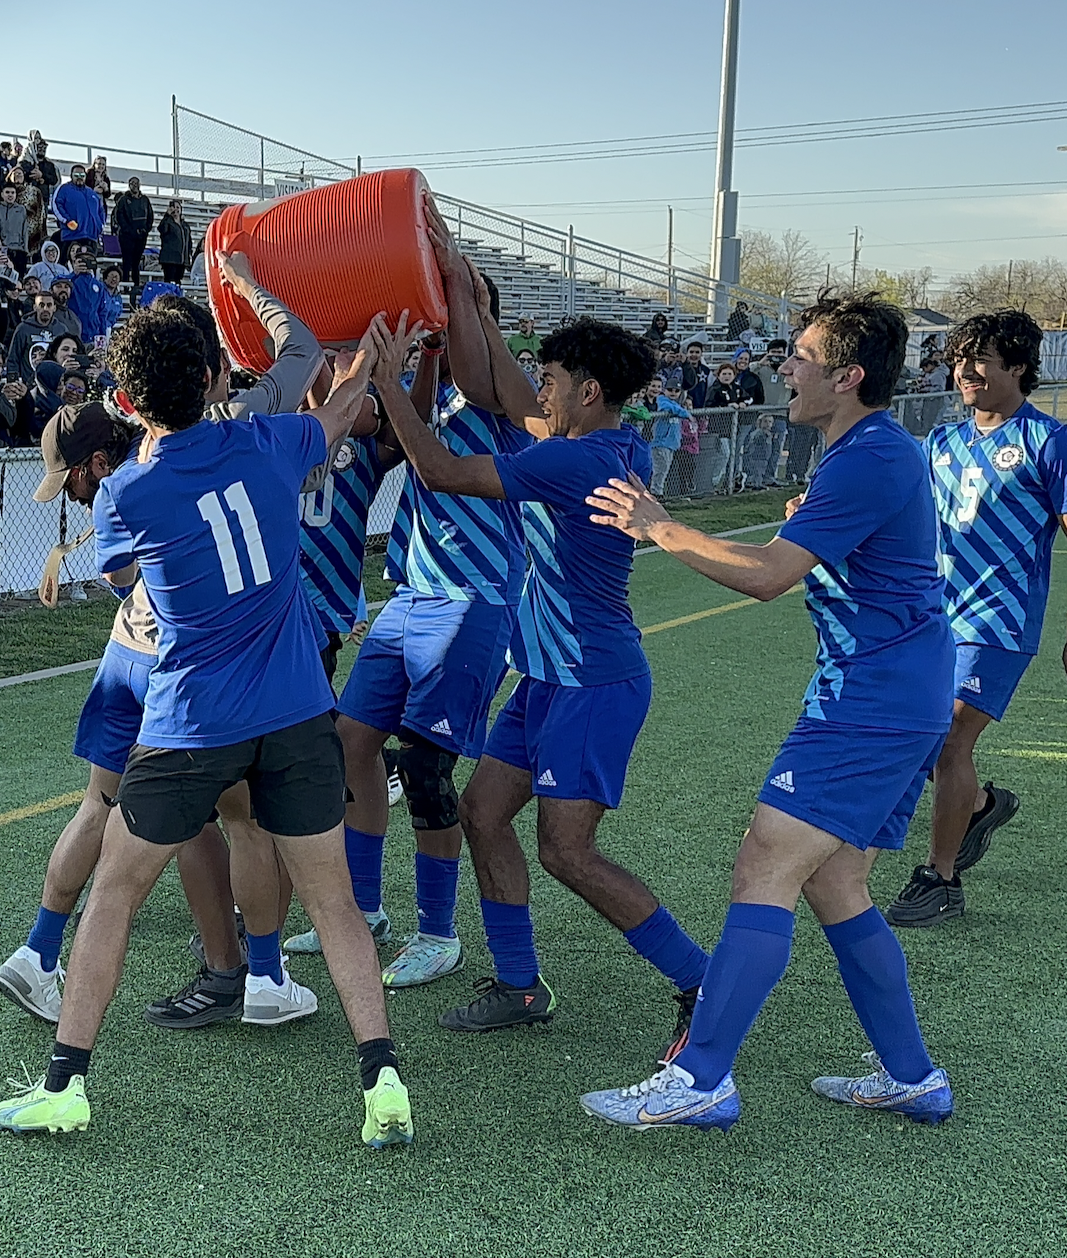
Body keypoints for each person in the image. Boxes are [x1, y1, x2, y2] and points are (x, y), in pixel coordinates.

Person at [0, 304, 412, 1147]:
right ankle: (383, 1081)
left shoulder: (126, 491)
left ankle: (66, 1083)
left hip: (189, 719)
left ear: (127, 401)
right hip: (295, 709)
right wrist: (374, 366)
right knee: (333, 904)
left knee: (114, 892)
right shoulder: (269, 443)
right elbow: (336, 411)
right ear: (218, 378)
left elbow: (122, 576)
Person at [581, 292, 953, 1130]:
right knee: (836, 882)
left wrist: (662, 528)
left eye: (804, 357)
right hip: (886, 689)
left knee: (765, 863)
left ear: (848, 376)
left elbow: (767, 576)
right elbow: (809, 559)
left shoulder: (869, 455)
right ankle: (913, 1075)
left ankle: (702, 1076)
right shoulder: (863, 450)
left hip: (875, 698)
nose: (786, 366)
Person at [374, 312, 716, 1051]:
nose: (537, 392)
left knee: (568, 851)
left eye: (551, 381)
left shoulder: (575, 462)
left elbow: (438, 470)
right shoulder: (601, 440)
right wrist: (463, 289)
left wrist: (384, 382)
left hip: (592, 682)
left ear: (588, 392)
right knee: (483, 812)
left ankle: (702, 982)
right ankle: (521, 984)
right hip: (546, 679)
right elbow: (503, 384)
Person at [290, 207, 537, 990]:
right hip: (411, 598)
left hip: (472, 603)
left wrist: (402, 367)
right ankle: (364, 907)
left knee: (424, 766)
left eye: (451, 315)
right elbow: (409, 428)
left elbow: (425, 458)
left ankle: (440, 932)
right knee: (350, 746)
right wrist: (411, 362)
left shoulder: (508, 401)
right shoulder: (451, 401)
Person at [876, 310, 1067, 924]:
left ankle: (940, 880)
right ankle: (976, 807)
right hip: (933, 618)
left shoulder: (1052, 442)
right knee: (926, 738)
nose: (965, 370)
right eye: (960, 357)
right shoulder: (942, 442)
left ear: (1019, 367)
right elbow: (903, 512)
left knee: (949, 739)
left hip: (1000, 620)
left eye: (981, 358)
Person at [111, 178, 152, 293]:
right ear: (129, 185)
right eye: (132, 184)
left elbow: (150, 217)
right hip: (127, 236)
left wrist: (145, 230)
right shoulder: (124, 200)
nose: (134, 186)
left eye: (136, 183)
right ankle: (125, 285)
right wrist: (129, 230)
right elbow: (119, 216)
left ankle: (136, 285)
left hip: (141, 237)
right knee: (127, 261)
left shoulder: (145, 200)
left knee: (136, 262)